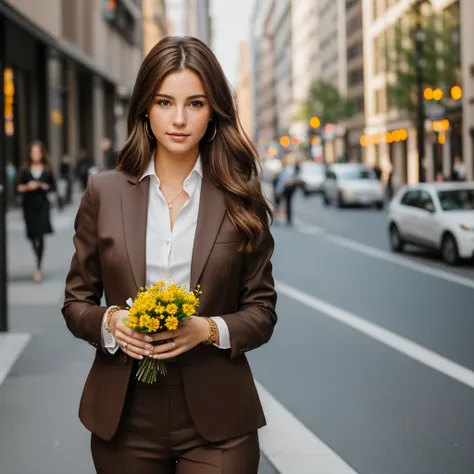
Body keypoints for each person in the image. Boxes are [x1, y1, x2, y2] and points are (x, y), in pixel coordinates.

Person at [62, 36, 277, 474]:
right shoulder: (103, 192)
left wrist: (206, 329)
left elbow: (262, 311)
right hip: (125, 417)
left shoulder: (241, 196)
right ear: (145, 106)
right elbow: (75, 303)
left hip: (219, 419)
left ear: (213, 111)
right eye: (164, 101)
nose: (179, 119)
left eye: (195, 103)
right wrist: (111, 322)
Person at [16, 141, 56, 282]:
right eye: (33, 152)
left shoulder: (47, 169)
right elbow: (18, 187)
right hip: (29, 206)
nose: (36, 155)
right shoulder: (25, 169)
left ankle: (38, 267)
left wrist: (44, 186)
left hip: (43, 205)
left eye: (38, 152)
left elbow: (53, 187)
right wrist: (28, 187)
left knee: (40, 235)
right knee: (33, 235)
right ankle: (37, 260)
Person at [275, 151, 299, 226]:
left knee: (288, 203)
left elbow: (297, 177)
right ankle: (278, 218)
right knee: (278, 202)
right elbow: (280, 178)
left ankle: (288, 219)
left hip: (290, 188)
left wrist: (293, 180)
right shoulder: (283, 166)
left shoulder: (295, 167)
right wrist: (278, 189)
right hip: (282, 187)